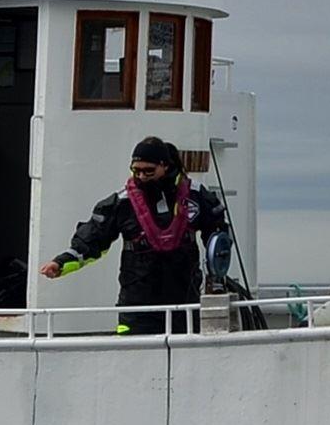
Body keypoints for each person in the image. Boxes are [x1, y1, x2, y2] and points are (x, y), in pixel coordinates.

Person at [42, 136, 232, 335]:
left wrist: (216, 276)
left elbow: (218, 238)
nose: (141, 175)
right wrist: (61, 263)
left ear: (165, 166)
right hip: (136, 306)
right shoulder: (120, 203)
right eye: (136, 170)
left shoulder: (196, 196)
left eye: (148, 170)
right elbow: (93, 239)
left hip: (185, 301)